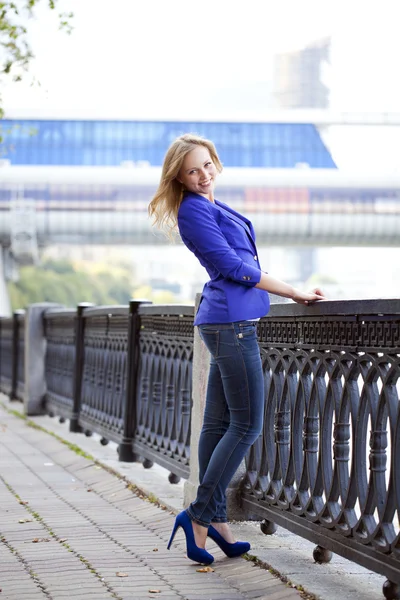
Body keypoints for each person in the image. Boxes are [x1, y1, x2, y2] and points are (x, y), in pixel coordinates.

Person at [148, 133, 325, 565]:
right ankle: (199, 515)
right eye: (193, 170)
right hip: (232, 324)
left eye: (207, 164)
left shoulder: (210, 204)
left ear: (216, 162)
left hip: (227, 321)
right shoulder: (193, 212)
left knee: (217, 424)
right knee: (247, 425)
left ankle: (217, 523)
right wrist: (294, 292)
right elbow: (234, 267)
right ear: (180, 178)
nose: (203, 174)